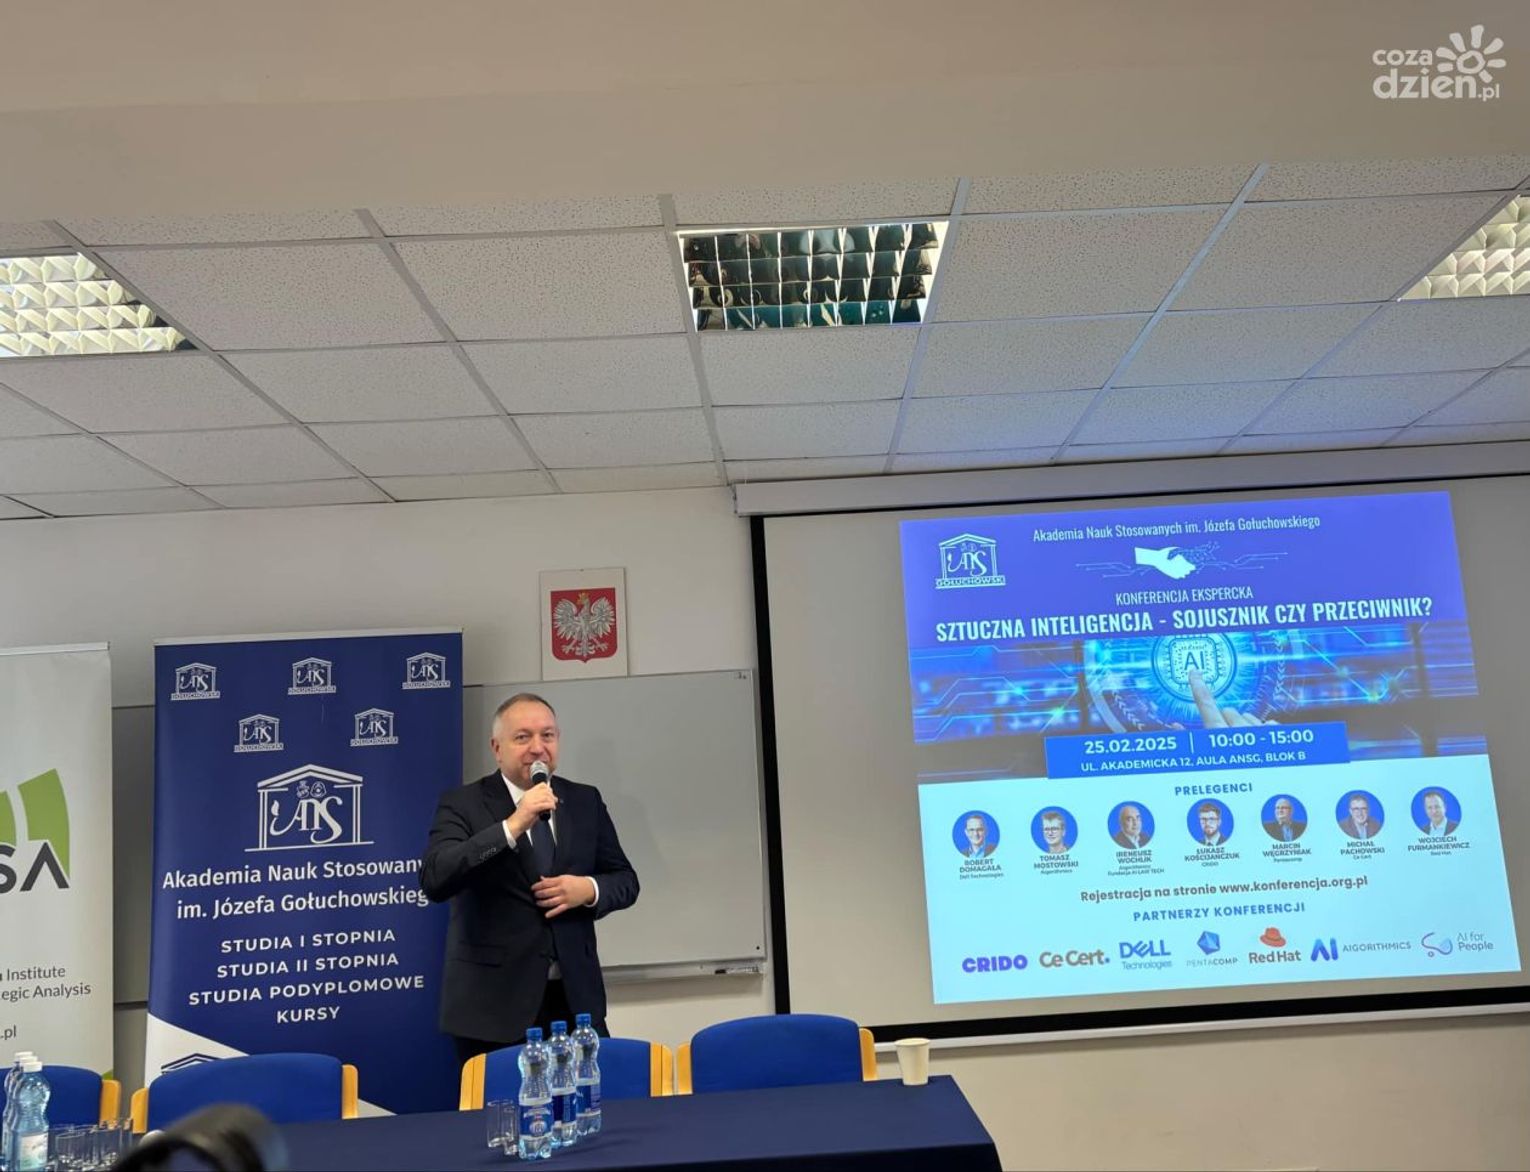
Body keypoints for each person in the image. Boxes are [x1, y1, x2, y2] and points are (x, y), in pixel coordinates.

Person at [420, 693, 639, 1068]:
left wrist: (587, 890)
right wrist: (512, 825)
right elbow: (436, 878)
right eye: (523, 737)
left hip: (575, 1002)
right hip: (493, 1009)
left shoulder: (584, 800)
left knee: (587, 1099)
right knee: (501, 1104)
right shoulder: (462, 804)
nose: (538, 748)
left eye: (547, 736)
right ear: (497, 748)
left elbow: (625, 880)